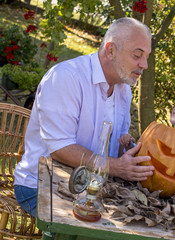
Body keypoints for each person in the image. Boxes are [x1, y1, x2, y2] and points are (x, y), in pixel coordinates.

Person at [14, 17, 155, 217]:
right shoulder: (65, 77)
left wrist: (128, 148)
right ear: (110, 50)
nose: (145, 64)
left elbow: (111, 143)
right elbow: (60, 148)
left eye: (146, 56)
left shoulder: (124, 89)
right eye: (137, 55)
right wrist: (115, 167)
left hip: (92, 188)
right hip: (41, 185)